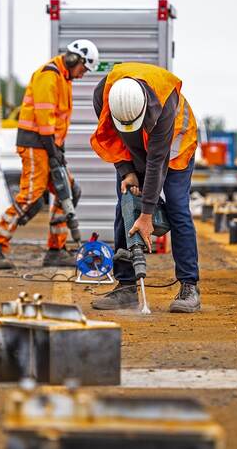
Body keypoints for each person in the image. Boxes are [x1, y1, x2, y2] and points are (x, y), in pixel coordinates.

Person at [88, 62, 200, 312]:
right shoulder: (102, 94)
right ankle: (126, 286)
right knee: (125, 205)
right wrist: (126, 171)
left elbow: (157, 163)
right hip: (136, 150)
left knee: (177, 207)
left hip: (174, 149)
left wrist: (147, 215)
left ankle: (189, 286)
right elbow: (109, 136)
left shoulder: (165, 104)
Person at [0, 40, 99, 268]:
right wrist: (53, 152)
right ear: (75, 60)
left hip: (48, 146)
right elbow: (44, 121)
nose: (83, 75)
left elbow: (57, 122)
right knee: (31, 195)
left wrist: (58, 152)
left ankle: (56, 250)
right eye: (83, 69)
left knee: (69, 191)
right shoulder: (48, 75)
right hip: (35, 145)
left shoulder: (64, 78)